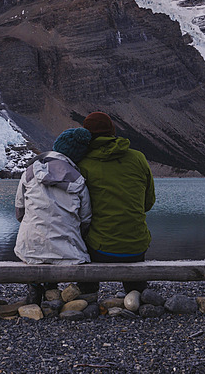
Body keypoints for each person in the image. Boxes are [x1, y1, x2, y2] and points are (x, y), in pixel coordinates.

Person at [76, 111, 155, 295]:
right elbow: (148, 203)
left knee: (80, 233)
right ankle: (137, 293)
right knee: (133, 235)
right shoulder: (138, 158)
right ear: (112, 131)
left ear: (86, 135)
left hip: (100, 249)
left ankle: (88, 295)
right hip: (137, 248)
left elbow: (78, 212)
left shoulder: (83, 164)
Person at [14, 127, 93, 303]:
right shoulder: (79, 180)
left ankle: (36, 289)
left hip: (29, 249)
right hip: (68, 252)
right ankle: (58, 295)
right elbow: (86, 219)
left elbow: (19, 211)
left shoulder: (29, 172)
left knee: (36, 246)